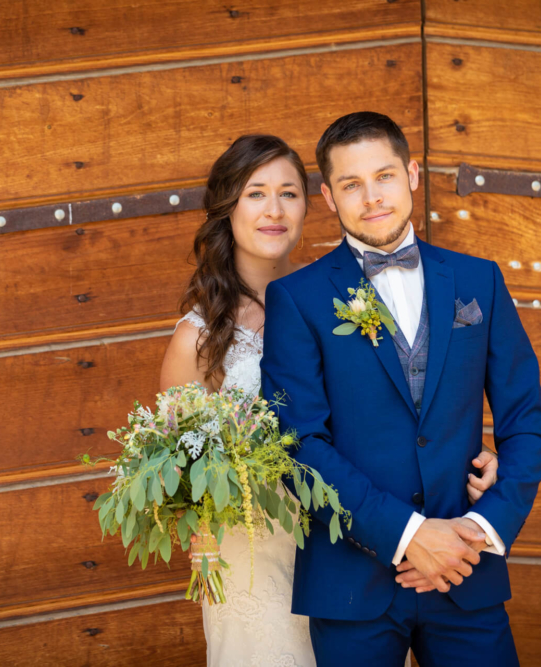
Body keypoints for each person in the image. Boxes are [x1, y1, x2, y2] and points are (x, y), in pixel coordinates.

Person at [160, 133, 500, 666]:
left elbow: (407, 404)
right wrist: (205, 543)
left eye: (289, 193)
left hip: (358, 540)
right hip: (260, 553)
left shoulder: (334, 295)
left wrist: (470, 457)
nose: (274, 210)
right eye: (255, 193)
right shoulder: (198, 338)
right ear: (227, 207)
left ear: (313, 202)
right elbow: (175, 468)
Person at [261, 112, 541, 666]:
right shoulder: (297, 299)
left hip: (468, 571)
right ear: (328, 196)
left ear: (413, 175)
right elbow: (298, 446)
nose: (372, 197)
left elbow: (527, 423)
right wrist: (409, 534)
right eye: (351, 184)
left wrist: (480, 527)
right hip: (351, 581)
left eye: (385, 176)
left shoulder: (479, 280)